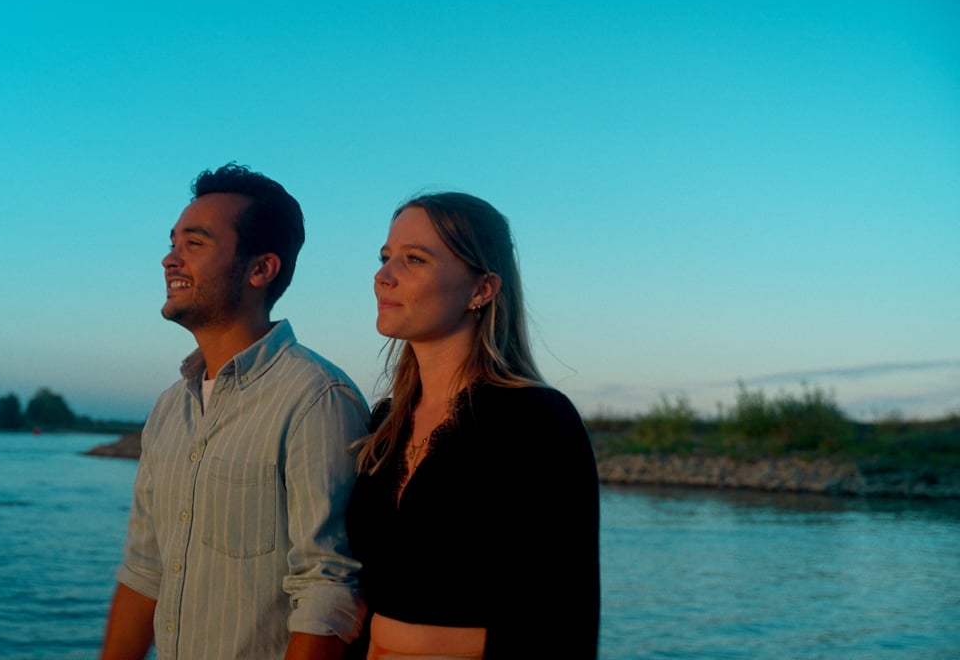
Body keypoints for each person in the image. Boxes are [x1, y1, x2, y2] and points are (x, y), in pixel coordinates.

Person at [100, 163, 371, 660]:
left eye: (194, 244)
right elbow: (144, 572)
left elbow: (327, 591)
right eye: (173, 242)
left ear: (260, 269)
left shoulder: (316, 399)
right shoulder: (170, 409)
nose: (169, 259)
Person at [345, 192, 600, 659]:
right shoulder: (384, 424)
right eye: (385, 258)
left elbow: (567, 619)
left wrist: (424, 639)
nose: (384, 276)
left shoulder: (538, 421)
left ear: (482, 289)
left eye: (414, 259)